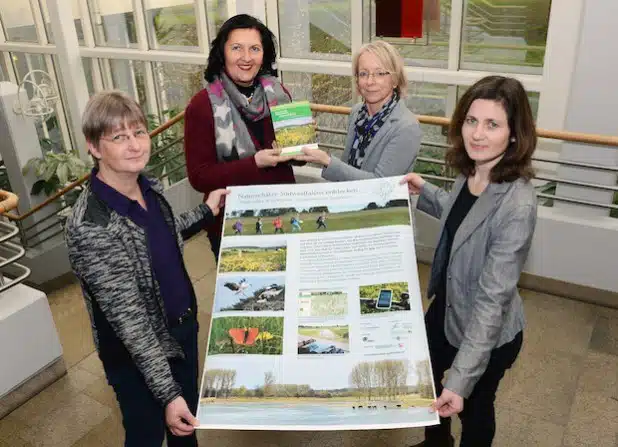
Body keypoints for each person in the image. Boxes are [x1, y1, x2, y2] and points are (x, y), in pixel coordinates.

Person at [65, 91, 228, 447]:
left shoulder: (146, 188)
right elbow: (132, 324)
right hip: (137, 356)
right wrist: (168, 394)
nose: (135, 145)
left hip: (181, 330)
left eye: (139, 132)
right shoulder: (92, 226)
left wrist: (206, 211)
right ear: (94, 147)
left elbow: (161, 235)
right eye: (119, 137)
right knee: (146, 436)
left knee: (187, 429)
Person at [403, 76, 538, 447]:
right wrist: (425, 192)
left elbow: (493, 301)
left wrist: (461, 380)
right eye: (471, 121)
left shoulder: (517, 205)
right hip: (446, 306)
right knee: (427, 380)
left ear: (514, 134)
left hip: (486, 331)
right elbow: (463, 217)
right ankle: (437, 443)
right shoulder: (474, 170)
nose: (477, 134)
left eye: (492, 124)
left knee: (474, 407)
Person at [184, 14, 296, 256]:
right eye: (237, 48)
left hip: (283, 213)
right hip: (233, 222)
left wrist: (299, 143)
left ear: (264, 54)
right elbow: (199, 177)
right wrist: (254, 163)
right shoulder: (202, 105)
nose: (246, 58)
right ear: (222, 52)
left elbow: (295, 158)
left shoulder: (278, 93)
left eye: (254, 48)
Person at [293, 40, 421, 181]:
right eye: (363, 74)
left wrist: (327, 161)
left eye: (379, 74)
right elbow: (349, 166)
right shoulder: (357, 112)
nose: (370, 81)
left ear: (395, 80)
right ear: (357, 80)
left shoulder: (407, 127)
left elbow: (381, 184)